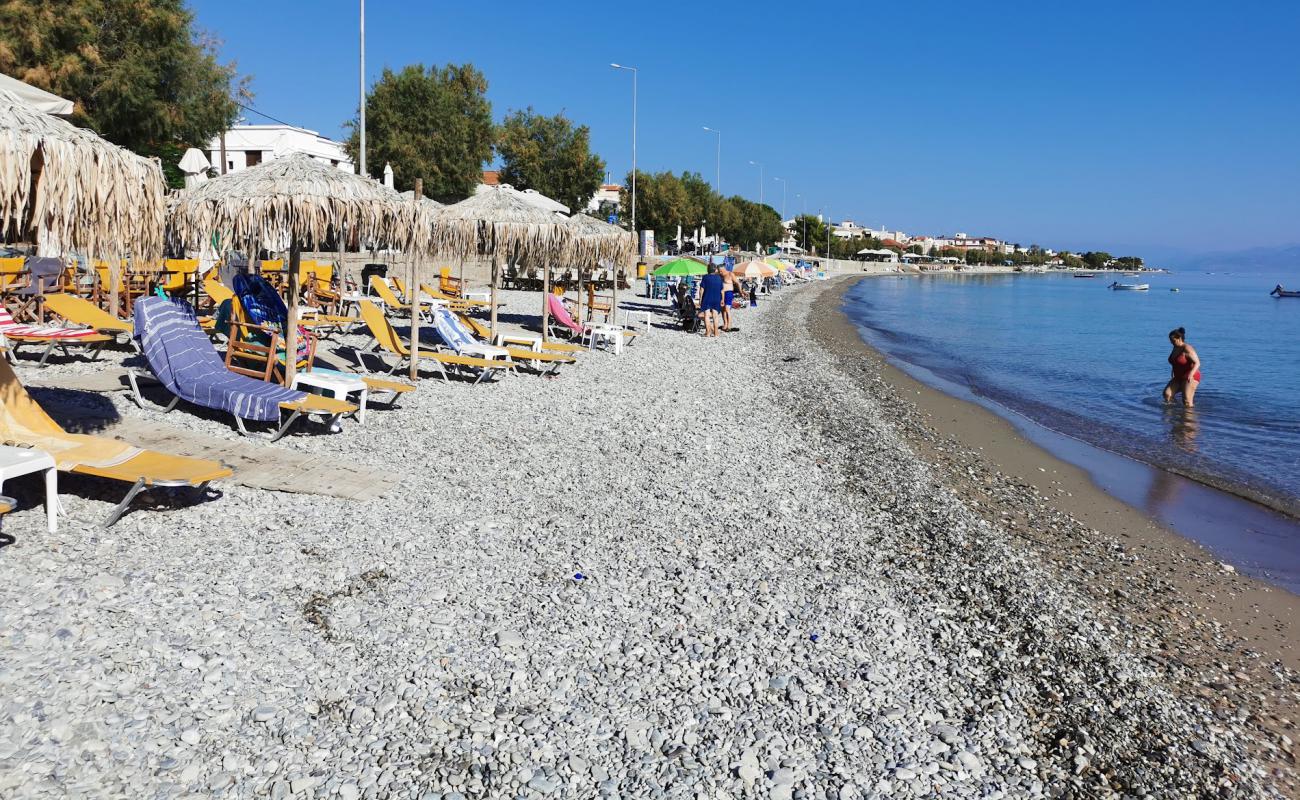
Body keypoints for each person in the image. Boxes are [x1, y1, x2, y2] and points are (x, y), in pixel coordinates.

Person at [1163, 327, 1201, 407]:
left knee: (1187, 401)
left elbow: (1197, 363)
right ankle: (1174, 415)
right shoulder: (1175, 347)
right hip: (1178, 376)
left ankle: (1188, 418)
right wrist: (1173, 371)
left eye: (1173, 340)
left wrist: (1190, 374)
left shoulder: (1187, 349)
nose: (1171, 342)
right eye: (1170, 340)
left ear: (1179, 338)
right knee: (1167, 394)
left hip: (1190, 376)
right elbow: (1175, 361)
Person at [697, 264, 724, 337]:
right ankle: (716, 333)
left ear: (708, 270)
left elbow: (701, 289)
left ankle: (708, 333)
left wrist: (700, 299)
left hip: (707, 298)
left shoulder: (705, 277)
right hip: (717, 298)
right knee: (715, 316)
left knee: (706, 315)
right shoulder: (719, 278)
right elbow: (722, 291)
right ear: (715, 270)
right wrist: (722, 299)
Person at [719, 265, 738, 332]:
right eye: (719, 271)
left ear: (724, 269)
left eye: (721, 270)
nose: (720, 272)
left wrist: (741, 291)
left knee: (727, 309)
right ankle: (725, 324)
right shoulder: (720, 275)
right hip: (722, 294)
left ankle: (729, 325)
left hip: (729, 293)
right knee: (723, 310)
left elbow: (737, 283)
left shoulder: (730, 274)